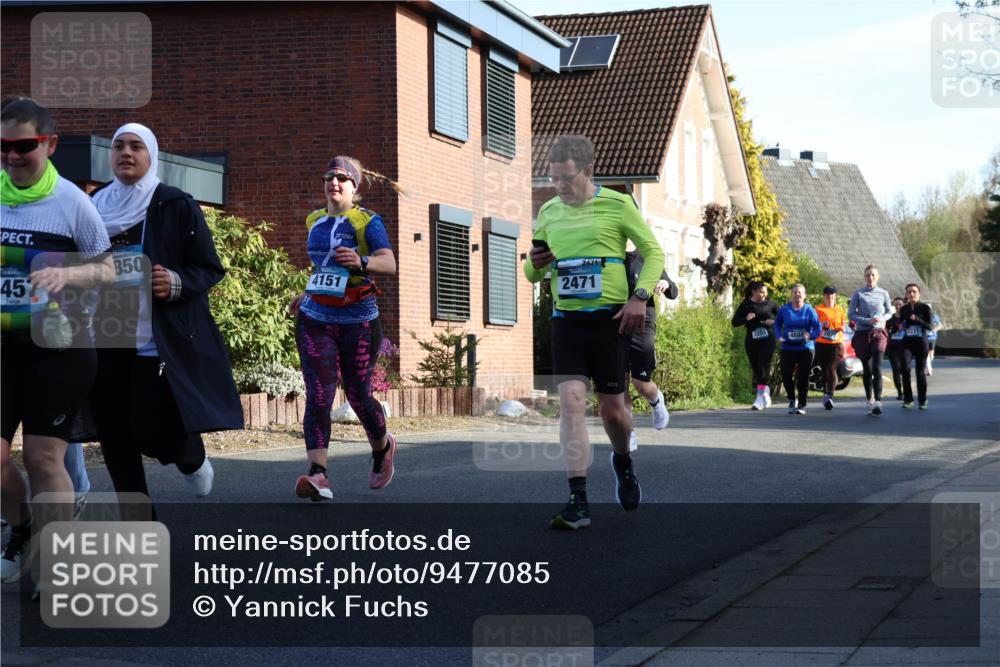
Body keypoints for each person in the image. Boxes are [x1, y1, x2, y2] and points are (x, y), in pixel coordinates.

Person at [89, 123, 243, 515]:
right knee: (114, 434)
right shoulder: (92, 206)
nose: (126, 152)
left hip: (156, 340)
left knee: (153, 430)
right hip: (105, 335)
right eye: (119, 146)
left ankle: (190, 455)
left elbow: (208, 268)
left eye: (136, 146)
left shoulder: (174, 203)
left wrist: (176, 281)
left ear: (151, 155)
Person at [524, 135, 665, 530]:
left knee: (613, 412)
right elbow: (533, 272)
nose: (559, 187)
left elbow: (654, 253)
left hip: (610, 322)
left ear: (587, 171)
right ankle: (578, 501)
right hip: (566, 321)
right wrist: (534, 263)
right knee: (570, 405)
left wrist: (639, 297)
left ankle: (623, 461)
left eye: (566, 178)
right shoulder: (549, 212)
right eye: (553, 179)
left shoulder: (618, 204)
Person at [1, 98, 114, 581]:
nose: (11, 156)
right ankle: (23, 527)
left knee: (43, 457)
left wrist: (69, 274)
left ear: (48, 143)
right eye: (2, 147)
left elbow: (110, 270)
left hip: (59, 347)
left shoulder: (73, 201)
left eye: (23, 146)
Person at [288, 155, 399, 501]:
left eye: (341, 179)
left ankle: (382, 449)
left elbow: (389, 263)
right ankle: (318, 474)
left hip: (358, 321)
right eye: (329, 178)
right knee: (319, 393)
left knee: (358, 395)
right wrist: (307, 292)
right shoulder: (314, 220)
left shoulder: (368, 221)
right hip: (316, 318)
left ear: (354, 187)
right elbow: (322, 267)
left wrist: (362, 260)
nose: (333, 183)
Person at [624, 247, 678, 450]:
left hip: (642, 324)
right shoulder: (609, 253)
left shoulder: (647, 256)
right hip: (615, 322)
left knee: (640, 384)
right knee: (620, 385)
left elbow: (673, 292)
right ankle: (627, 432)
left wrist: (666, 283)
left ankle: (656, 399)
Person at [848, 265, 892, 416]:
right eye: (868, 275)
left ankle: (878, 401)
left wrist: (882, 318)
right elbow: (851, 314)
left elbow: (889, 312)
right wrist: (867, 320)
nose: (870, 278)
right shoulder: (858, 294)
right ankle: (869, 399)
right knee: (867, 368)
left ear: (877, 277)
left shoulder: (884, 293)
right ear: (864, 277)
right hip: (862, 332)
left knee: (877, 365)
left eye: (873, 275)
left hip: (878, 331)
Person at [773, 284, 822, 415]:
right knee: (786, 373)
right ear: (791, 295)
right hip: (788, 346)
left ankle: (801, 404)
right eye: (794, 292)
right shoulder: (785, 309)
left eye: (800, 292)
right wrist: (778, 336)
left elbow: (818, 327)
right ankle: (791, 398)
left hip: (805, 347)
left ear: (804, 295)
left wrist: (810, 335)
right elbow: (777, 323)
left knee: (803, 376)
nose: (797, 295)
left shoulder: (809, 310)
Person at [731, 281, 779, 410]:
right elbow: (734, 322)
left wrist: (773, 322)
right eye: (760, 292)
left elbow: (782, 318)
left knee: (763, 365)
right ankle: (766, 390)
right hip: (752, 339)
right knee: (756, 368)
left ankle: (759, 397)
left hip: (767, 338)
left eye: (765, 292)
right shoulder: (746, 304)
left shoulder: (771, 304)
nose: (763, 295)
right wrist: (746, 319)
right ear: (754, 292)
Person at [899, 284, 934, 409]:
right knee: (905, 370)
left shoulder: (925, 308)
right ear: (906, 294)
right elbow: (902, 323)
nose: (911, 294)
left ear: (919, 293)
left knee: (920, 372)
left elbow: (930, 326)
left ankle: (922, 400)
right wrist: (903, 325)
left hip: (921, 342)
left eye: (914, 291)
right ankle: (908, 400)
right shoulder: (904, 309)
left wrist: (918, 319)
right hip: (907, 342)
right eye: (909, 292)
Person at [814, 286, 847, 410]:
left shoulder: (840, 309)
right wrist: (822, 325)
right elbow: (813, 325)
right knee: (824, 369)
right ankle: (825, 394)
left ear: (835, 296)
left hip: (836, 343)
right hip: (822, 343)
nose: (830, 296)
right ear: (824, 296)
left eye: (832, 294)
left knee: (831, 368)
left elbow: (844, 323)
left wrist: (842, 328)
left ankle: (830, 395)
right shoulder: (818, 309)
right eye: (827, 294)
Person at [886, 296, 906, 400]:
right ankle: (899, 392)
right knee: (896, 370)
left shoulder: (907, 318)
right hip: (893, 348)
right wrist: (892, 330)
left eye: (900, 304)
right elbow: (886, 332)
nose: (898, 306)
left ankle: (907, 390)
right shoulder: (889, 320)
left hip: (905, 348)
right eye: (896, 304)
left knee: (905, 370)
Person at [926, 309, 942, 375]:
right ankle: (929, 369)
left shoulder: (935, 316)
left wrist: (935, 330)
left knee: (931, 355)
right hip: (925, 338)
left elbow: (940, 325)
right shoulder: (922, 316)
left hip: (933, 337)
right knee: (926, 355)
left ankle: (928, 364)